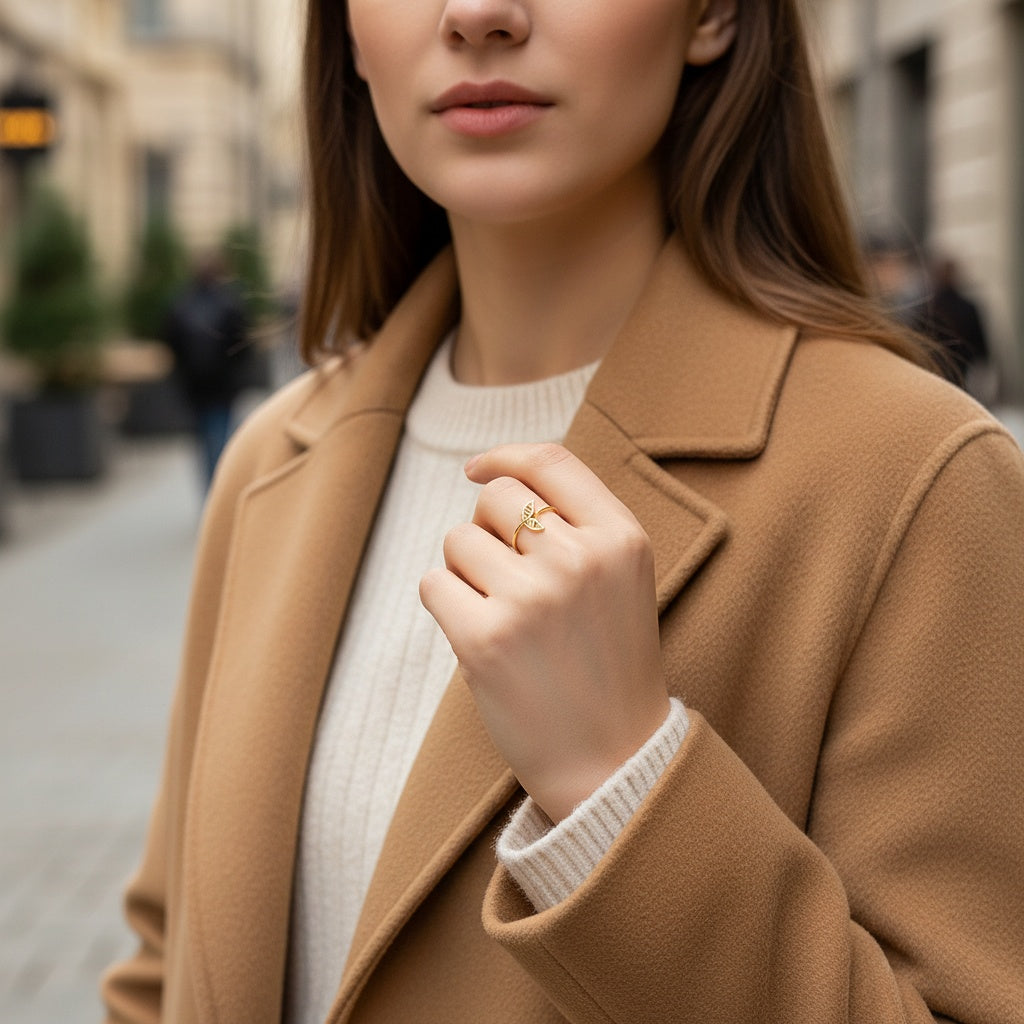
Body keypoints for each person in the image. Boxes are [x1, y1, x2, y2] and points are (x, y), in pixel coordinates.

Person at [102, 1, 1024, 1022]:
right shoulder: (273, 464)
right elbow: (165, 963)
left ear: (712, 14)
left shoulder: (911, 478)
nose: (479, 14)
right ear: (348, 32)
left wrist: (618, 782)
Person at [163, 252, 250, 489]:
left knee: (204, 445)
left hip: (194, 389)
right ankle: (220, 497)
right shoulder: (229, 304)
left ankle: (212, 496)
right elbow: (242, 346)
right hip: (222, 388)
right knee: (220, 443)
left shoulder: (181, 303)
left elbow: (171, 344)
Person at [928, 256, 995, 400]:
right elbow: (980, 341)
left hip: (937, 368)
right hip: (963, 366)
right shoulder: (968, 307)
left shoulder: (930, 308)